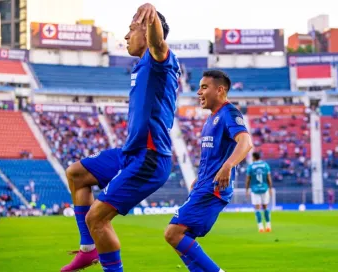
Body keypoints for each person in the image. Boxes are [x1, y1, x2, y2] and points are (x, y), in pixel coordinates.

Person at [61, 3, 180, 272]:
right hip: (131, 153)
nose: (126, 36)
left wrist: (150, 12)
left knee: (97, 218)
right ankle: (88, 250)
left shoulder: (159, 60)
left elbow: (158, 43)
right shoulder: (141, 67)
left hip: (150, 157)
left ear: (147, 30)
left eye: (131, 30)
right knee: (76, 174)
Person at [164, 70, 253, 272]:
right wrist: (199, 177)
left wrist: (228, 166)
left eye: (204, 87)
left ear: (220, 90)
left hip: (213, 188)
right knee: (182, 239)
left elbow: (246, 142)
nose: (198, 92)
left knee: (173, 233)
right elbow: (213, 155)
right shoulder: (211, 118)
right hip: (204, 184)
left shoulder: (229, 113)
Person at [245, 152, 273, 232]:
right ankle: (268, 226)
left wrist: (246, 190)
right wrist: (270, 188)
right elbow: (269, 178)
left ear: (254, 157)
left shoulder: (251, 167)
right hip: (264, 188)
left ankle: (260, 228)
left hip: (255, 189)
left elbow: (248, 179)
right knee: (265, 207)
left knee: (257, 208)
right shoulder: (265, 165)